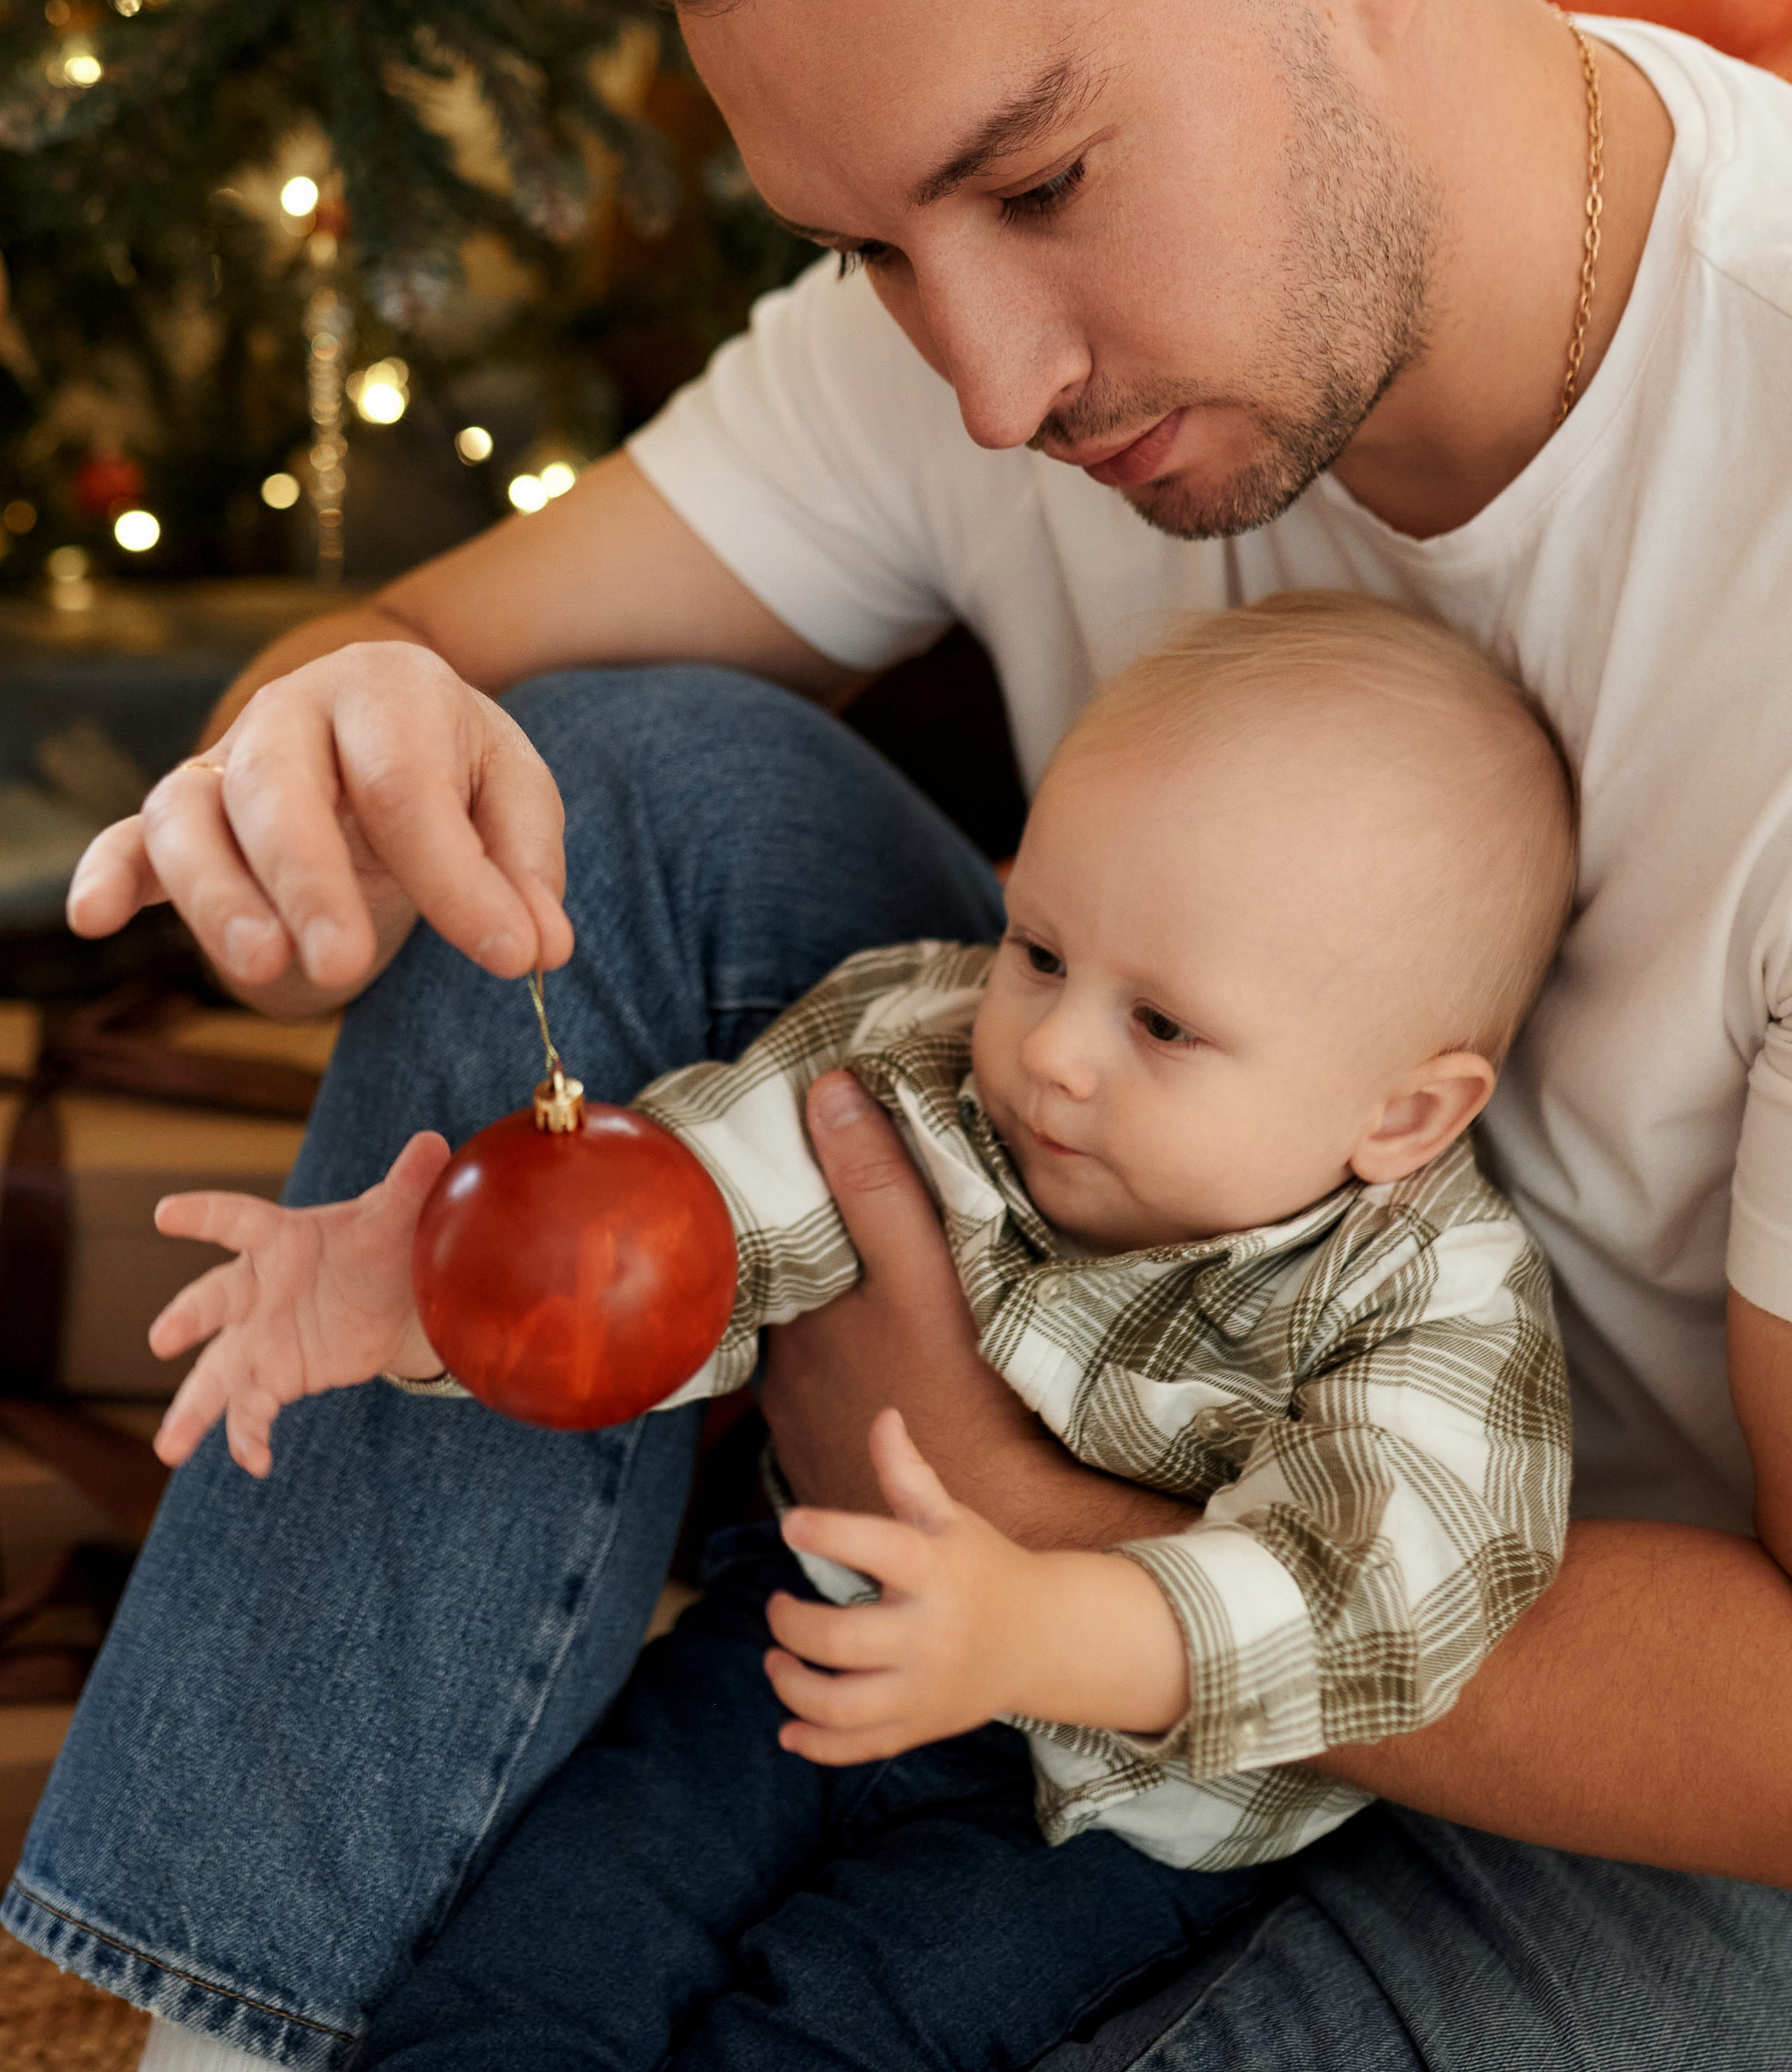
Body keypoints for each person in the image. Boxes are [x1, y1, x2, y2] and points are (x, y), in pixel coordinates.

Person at [10, 0, 1792, 2070]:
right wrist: (318, 725)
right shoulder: (987, 306)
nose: (990, 379)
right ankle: (237, 2027)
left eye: (1040, 185)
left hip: (1645, 1750)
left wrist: (1054, 1538)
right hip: (1056, 1403)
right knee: (599, 776)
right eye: (877, 247)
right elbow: (408, 665)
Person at [140, 595, 1575, 2071]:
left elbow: (1380, 1600)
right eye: (1038, 948)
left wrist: (1035, 1623)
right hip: (805, 1634)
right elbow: (696, 1231)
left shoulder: (1435, 1293)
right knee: (546, 1941)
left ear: (1400, 1111)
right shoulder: (927, 1045)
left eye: (1162, 1026)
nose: (1054, 1053)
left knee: (830, 2029)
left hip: (1117, 1818)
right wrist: (440, 1292)